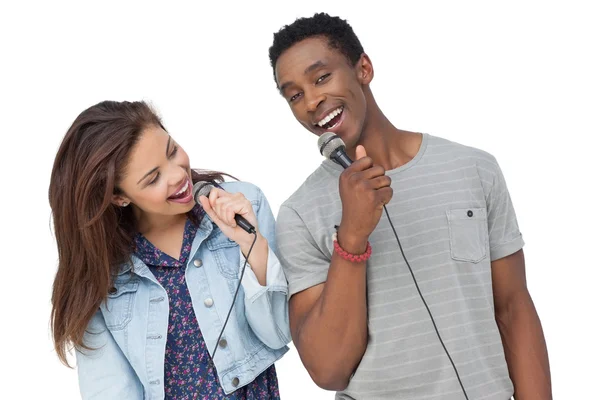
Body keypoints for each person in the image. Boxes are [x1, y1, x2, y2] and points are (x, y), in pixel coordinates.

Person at [269, 13, 551, 400]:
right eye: (295, 95)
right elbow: (329, 370)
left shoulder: (472, 168)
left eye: (321, 78)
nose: (313, 101)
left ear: (363, 68)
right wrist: (351, 235)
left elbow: (514, 308)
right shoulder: (299, 214)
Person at [49, 100, 290, 399]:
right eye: (153, 178)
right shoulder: (101, 277)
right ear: (118, 197)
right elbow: (110, 391)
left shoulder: (245, 205)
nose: (177, 175)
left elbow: (279, 332)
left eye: (172, 151)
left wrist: (251, 246)